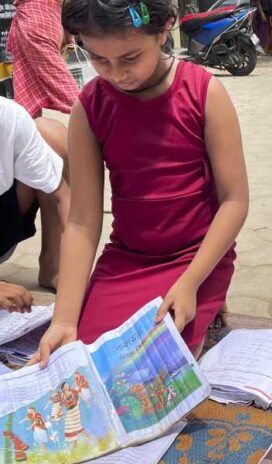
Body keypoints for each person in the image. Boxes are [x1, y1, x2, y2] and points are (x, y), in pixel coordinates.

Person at [29, 0, 249, 367]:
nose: (116, 74)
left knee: (159, 366)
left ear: (162, 31)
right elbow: (82, 221)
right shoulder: (90, 106)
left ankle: (211, 294)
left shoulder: (204, 93)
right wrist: (65, 318)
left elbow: (234, 200)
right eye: (99, 60)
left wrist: (192, 281)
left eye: (130, 58)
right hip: (127, 260)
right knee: (87, 357)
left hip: (195, 257)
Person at [0, 97, 70, 310]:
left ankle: (54, 267)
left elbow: (63, 197)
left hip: (5, 225)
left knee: (50, 135)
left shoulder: (9, 116)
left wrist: (75, 277)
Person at [7, 0, 79, 117]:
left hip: (36, 19)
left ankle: (97, 121)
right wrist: (69, 33)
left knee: (62, 87)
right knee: (29, 88)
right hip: (41, 19)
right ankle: (98, 121)